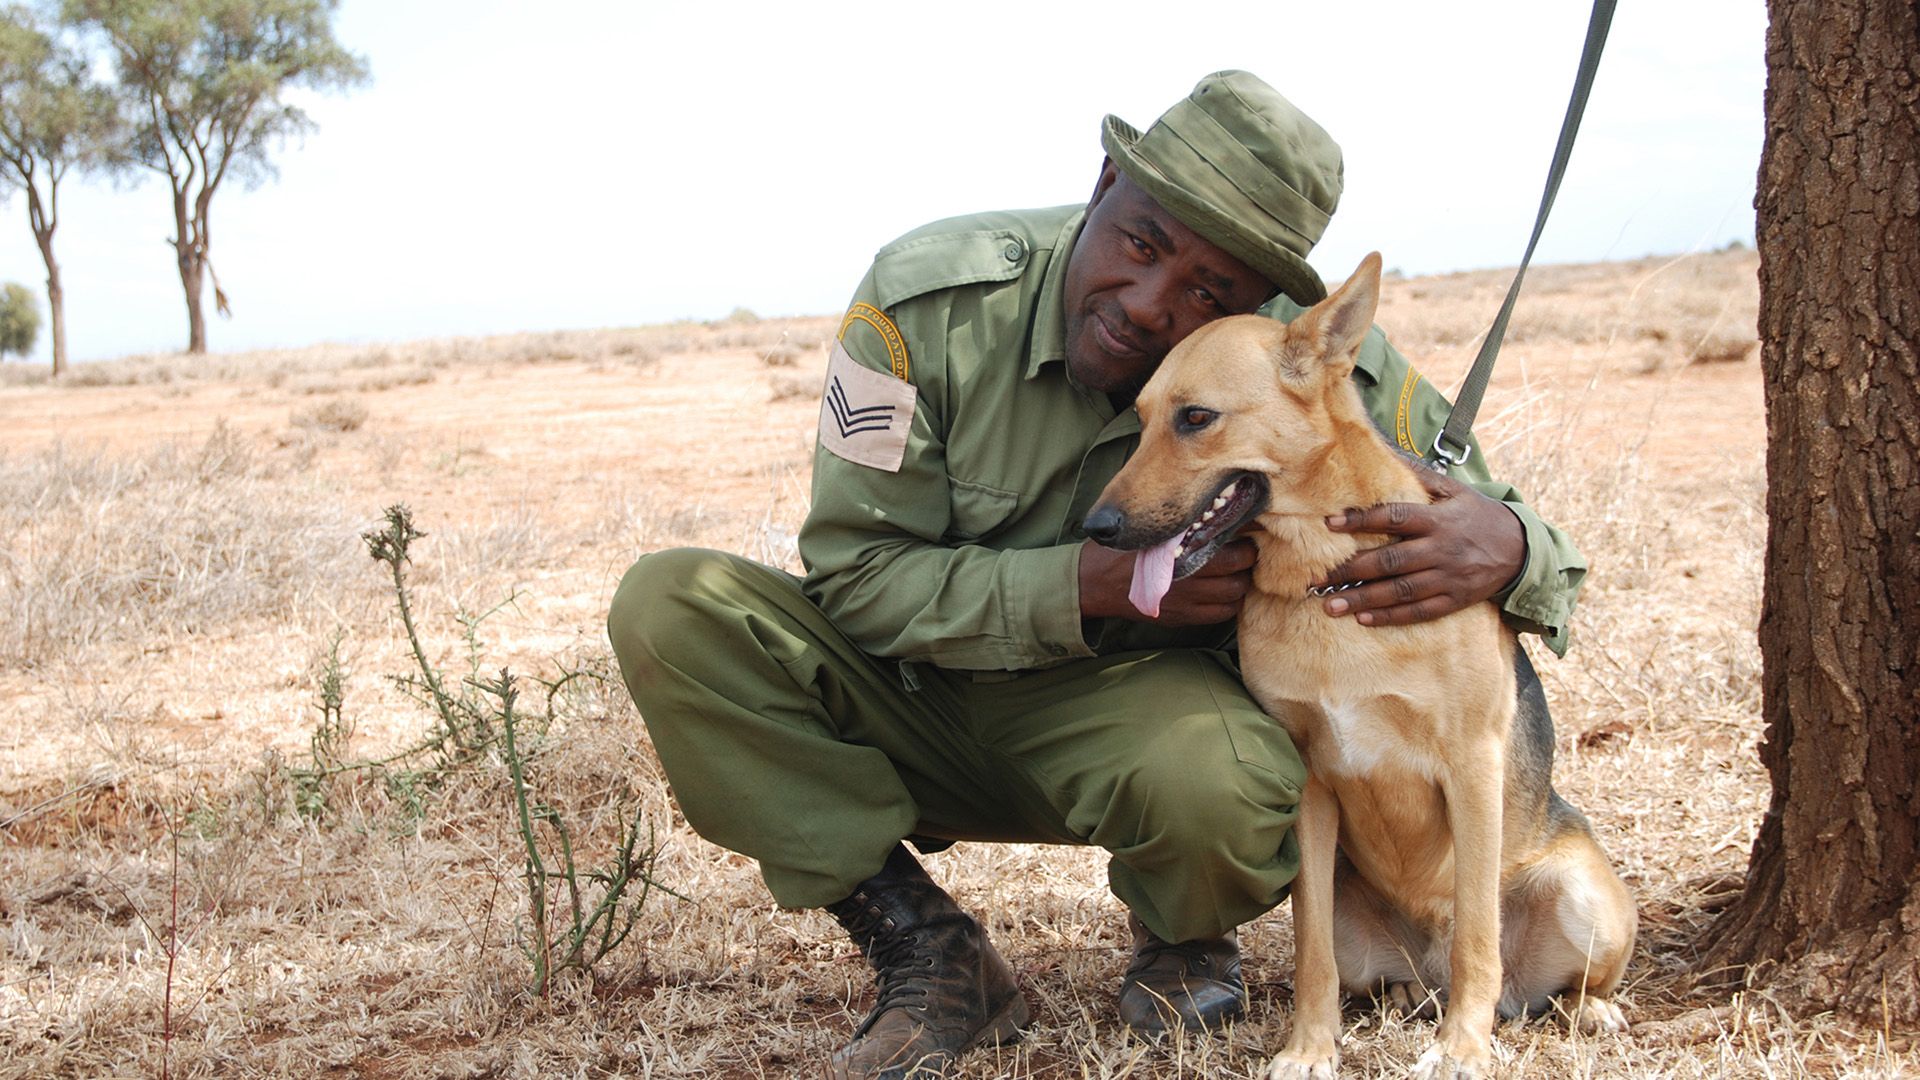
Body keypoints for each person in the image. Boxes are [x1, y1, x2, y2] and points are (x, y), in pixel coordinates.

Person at [607, 70, 1584, 1079]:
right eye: (1142, 243)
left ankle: (1181, 931)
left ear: (1266, 304)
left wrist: (1512, 549)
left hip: (1133, 730)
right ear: (1105, 177)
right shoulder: (927, 303)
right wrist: (1084, 586)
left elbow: (1488, 517)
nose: (1152, 307)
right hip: (908, 701)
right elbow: (856, 576)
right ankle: (922, 946)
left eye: (1210, 293)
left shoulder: (1304, 358)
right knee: (673, 607)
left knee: (1233, 782)